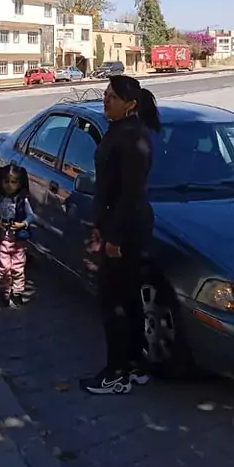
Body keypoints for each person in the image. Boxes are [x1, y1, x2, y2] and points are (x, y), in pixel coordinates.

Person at [81, 75, 161, 395]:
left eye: (112, 97)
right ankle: (136, 364)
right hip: (121, 226)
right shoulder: (120, 131)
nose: (106, 100)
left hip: (125, 230)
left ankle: (116, 373)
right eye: (105, 94)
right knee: (129, 298)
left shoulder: (132, 138)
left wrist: (114, 238)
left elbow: (130, 193)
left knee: (113, 302)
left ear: (131, 104)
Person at [0, 164, 35, 307]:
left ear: (20, 183)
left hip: (19, 241)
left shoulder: (22, 201)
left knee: (18, 267)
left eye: (13, 182)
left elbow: (31, 216)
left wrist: (23, 224)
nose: (9, 185)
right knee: (4, 267)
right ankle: (5, 289)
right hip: (4, 239)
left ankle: (17, 292)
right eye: (6, 181)